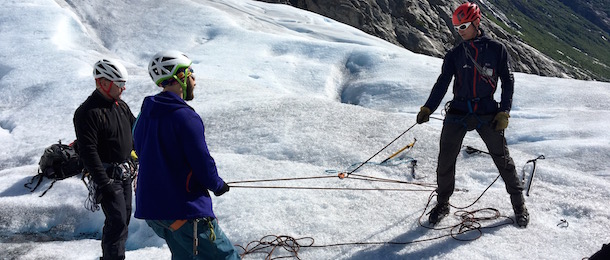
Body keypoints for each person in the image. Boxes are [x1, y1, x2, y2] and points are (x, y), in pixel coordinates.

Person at [416, 2, 529, 227]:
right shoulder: (455, 54)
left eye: (464, 25)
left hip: (487, 111)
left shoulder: (497, 49)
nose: (460, 31)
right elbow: (442, 83)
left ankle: (519, 205)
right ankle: (443, 203)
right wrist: (428, 107)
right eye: (456, 26)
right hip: (458, 109)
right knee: (445, 160)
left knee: (503, 160)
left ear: (477, 22)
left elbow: (508, 80)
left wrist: (504, 110)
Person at [132, 50, 240, 259]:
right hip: (184, 209)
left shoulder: (144, 114)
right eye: (191, 73)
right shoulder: (185, 117)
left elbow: (140, 149)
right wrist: (217, 185)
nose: (194, 80)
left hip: (154, 210)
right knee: (226, 256)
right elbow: (202, 163)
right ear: (179, 77)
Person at [74, 58, 136, 259]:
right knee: (117, 220)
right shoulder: (87, 113)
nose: (123, 88)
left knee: (124, 219)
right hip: (107, 177)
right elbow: (88, 152)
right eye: (119, 84)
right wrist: (104, 183)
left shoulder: (121, 106)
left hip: (125, 173)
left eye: (123, 84)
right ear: (101, 82)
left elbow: (135, 132)